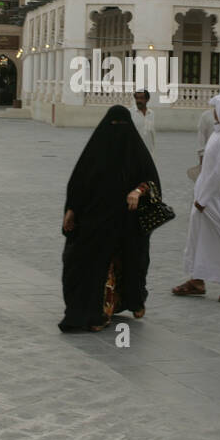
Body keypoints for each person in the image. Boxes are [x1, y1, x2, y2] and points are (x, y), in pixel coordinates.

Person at [60, 105, 160, 331]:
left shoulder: (136, 153)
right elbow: (79, 183)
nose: (118, 131)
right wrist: (71, 210)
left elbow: (152, 181)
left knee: (128, 262)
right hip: (95, 222)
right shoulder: (95, 152)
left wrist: (137, 191)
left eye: (121, 126)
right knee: (86, 263)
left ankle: (129, 301)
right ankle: (94, 310)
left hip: (126, 223)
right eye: (114, 126)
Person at [173, 89, 220, 304]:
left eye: (217, 108)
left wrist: (203, 199)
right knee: (199, 239)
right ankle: (197, 280)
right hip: (207, 201)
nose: (213, 112)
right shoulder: (219, 134)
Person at [129, 89, 157, 159]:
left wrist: (153, 151)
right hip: (133, 153)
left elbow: (152, 133)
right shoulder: (129, 113)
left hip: (148, 152)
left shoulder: (151, 113)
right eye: (137, 98)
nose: (139, 101)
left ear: (147, 100)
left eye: (141, 98)